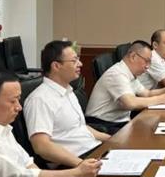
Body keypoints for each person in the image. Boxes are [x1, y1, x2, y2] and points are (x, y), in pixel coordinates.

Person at [24, 40, 109, 168]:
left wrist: (112, 139)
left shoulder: (68, 91)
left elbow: (80, 128)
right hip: (73, 162)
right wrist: (81, 165)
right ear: (56, 66)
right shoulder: (39, 99)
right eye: (74, 61)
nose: (80, 64)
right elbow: (41, 146)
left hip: (93, 151)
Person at [86, 40, 165, 134]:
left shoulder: (130, 73)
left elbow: (146, 93)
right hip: (102, 125)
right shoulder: (117, 74)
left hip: (120, 123)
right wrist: (161, 99)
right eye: (146, 61)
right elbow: (130, 103)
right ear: (133, 56)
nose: (147, 66)